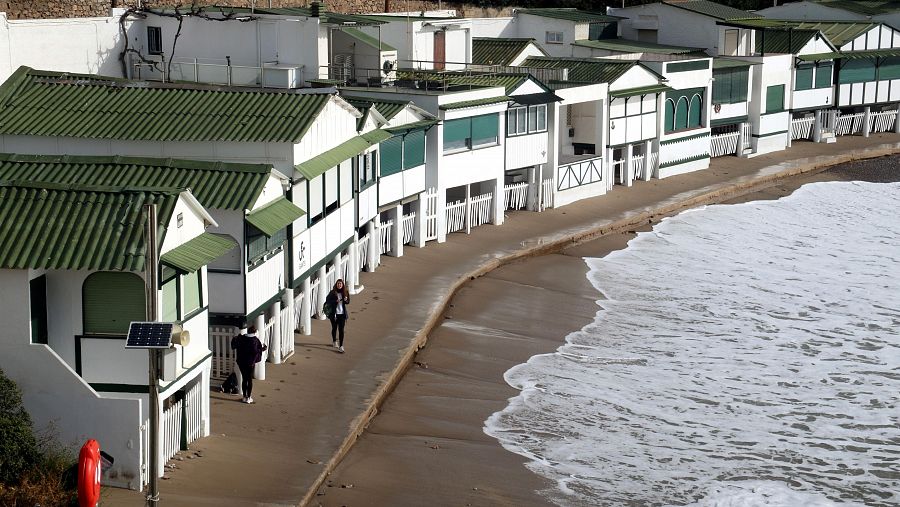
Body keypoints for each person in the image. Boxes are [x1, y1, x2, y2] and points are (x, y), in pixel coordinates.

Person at [231, 324, 266, 403]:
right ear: (254, 332)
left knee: (244, 378)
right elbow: (257, 350)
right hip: (250, 363)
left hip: (241, 362)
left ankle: (244, 397)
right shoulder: (255, 340)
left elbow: (234, 346)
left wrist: (235, 338)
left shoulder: (241, 338)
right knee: (249, 379)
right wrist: (263, 349)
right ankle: (249, 397)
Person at [324, 279, 350, 353]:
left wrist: (345, 300)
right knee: (334, 328)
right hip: (334, 314)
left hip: (342, 314)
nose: (339, 285)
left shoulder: (345, 292)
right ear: (336, 284)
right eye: (338, 284)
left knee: (341, 330)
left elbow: (348, 302)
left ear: (342, 285)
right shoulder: (332, 293)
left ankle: (341, 346)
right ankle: (334, 341)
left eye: (341, 284)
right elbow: (327, 301)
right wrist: (335, 301)